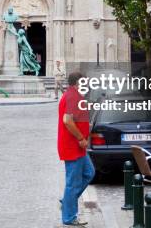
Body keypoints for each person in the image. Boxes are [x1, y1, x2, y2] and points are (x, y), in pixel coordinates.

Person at [58, 72, 94, 226]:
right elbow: (67, 120)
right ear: (76, 84)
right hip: (73, 146)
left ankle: (67, 202)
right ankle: (69, 217)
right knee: (72, 183)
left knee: (89, 173)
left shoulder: (75, 95)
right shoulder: (72, 96)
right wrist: (81, 137)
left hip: (79, 147)